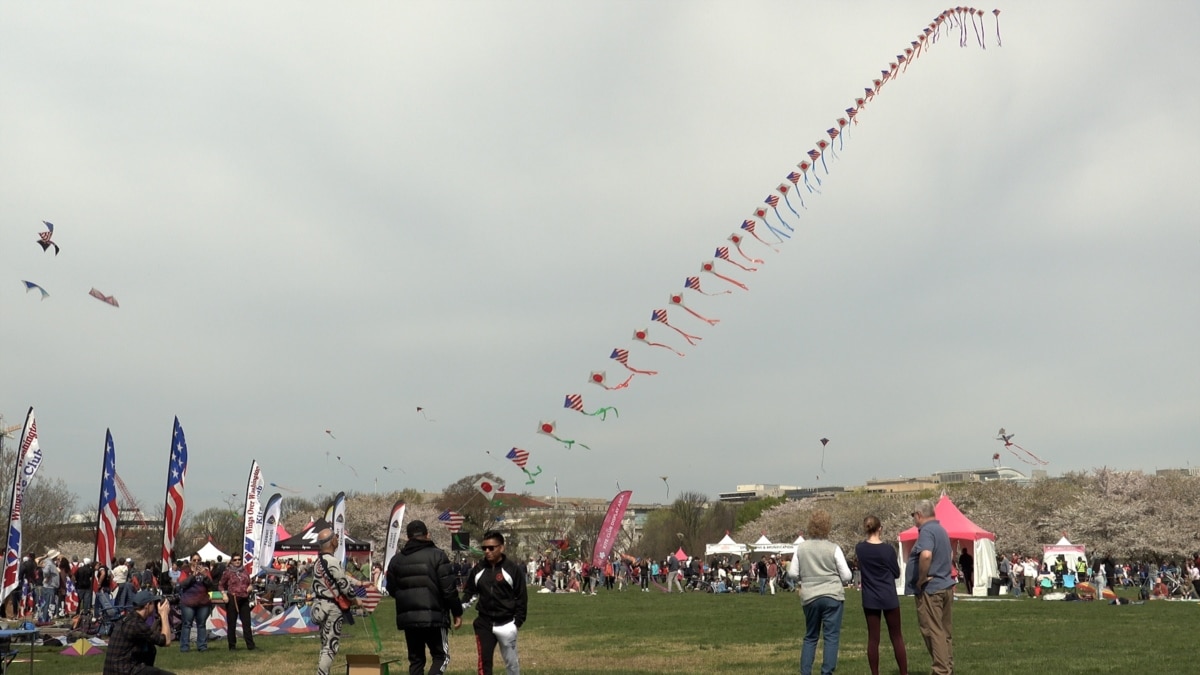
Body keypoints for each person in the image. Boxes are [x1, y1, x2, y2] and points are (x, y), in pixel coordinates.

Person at [387, 519, 464, 675]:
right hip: (434, 616)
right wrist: (457, 612)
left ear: (408, 537)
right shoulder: (438, 555)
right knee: (441, 656)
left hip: (409, 618)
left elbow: (391, 589)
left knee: (416, 660)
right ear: (428, 534)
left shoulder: (396, 560)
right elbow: (449, 589)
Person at [787, 510, 852, 675]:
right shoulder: (833, 548)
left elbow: (793, 573)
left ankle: (806, 672)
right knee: (831, 637)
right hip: (832, 596)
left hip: (810, 596)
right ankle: (826, 672)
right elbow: (846, 575)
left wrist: (806, 578)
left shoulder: (801, 548)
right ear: (827, 527)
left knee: (810, 636)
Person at [463, 530, 527, 675]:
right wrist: (458, 611)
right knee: (484, 663)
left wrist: (517, 623)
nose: (487, 551)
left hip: (507, 623)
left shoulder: (512, 569)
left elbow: (521, 597)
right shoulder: (478, 569)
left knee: (512, 664)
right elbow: (470, 593)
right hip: (484, 623)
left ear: (501, 548)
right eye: (484, 548)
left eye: (491, 548)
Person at [905, 499, 954, 675]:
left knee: (932, 632)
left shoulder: (926, 531)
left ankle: (941, 670)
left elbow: (926, 555)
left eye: (913, 515)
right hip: (946, 586)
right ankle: (948, 667)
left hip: (931, 590)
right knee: (944, 631)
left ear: (918, 515)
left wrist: (921, 578)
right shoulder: (941, 530)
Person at [312, 524, 368, 675]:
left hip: (319, 606)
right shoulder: (333, 561)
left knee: (324, 644)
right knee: (331, 646)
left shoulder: (318, 562)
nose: (337, 539)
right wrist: (356, 600)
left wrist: (359, 583)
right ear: (332, 542)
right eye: (336, 537)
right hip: (332, 608)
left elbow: (340, 579)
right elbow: (343, 585)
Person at [855, 515, 908, 675]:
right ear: (880, 528)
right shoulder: (887, 550)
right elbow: (896, 573)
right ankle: (903, 673)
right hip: (888, 596)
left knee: (873, 639)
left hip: (870, 597)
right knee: (897, 637)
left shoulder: (860, 549)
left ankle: (875, 673)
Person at [103, 589, 175, 675]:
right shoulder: (136, 624)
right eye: (153, 603)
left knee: (150, 649)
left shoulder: (127, 619)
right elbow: (166, 641)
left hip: (111, 670)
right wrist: (164, 615)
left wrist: (158, 619)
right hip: (125, 670)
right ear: (147, 605)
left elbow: (150, 636)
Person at [218, 554, 256, 651]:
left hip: (244, 598)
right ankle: (232, 646)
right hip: (233, 598)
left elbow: (249, 583)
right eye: (235, 560)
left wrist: (250, 587)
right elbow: (221, 585)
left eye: (239, 559)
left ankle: (250, 645)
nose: (237, 561)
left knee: (246, 623)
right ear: (231, 561)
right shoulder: (228, 572)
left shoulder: (244, 571)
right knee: (232, 623)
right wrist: (224, 594)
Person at [177, 555, 215, 652]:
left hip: (203, 602)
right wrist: (193, 575)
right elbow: (183, 584)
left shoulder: (205, 571)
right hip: (188, 602)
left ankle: (202, 646)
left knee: (201, 624)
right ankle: (184, 647)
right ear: (190, 561)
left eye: (198, 560)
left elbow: (211, 585)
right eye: (194, 560)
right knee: (187, 624)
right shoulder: (185, 571)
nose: (196, 562)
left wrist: (205, 575)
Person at [37, 549, 61, 623]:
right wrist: (47, 577)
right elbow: (46, 571)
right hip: (49, 586)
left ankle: (45, 618)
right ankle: (45, 619)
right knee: (48, 603)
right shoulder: (49, 563)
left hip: (50, 586)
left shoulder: (51, 562)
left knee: (48, 603)